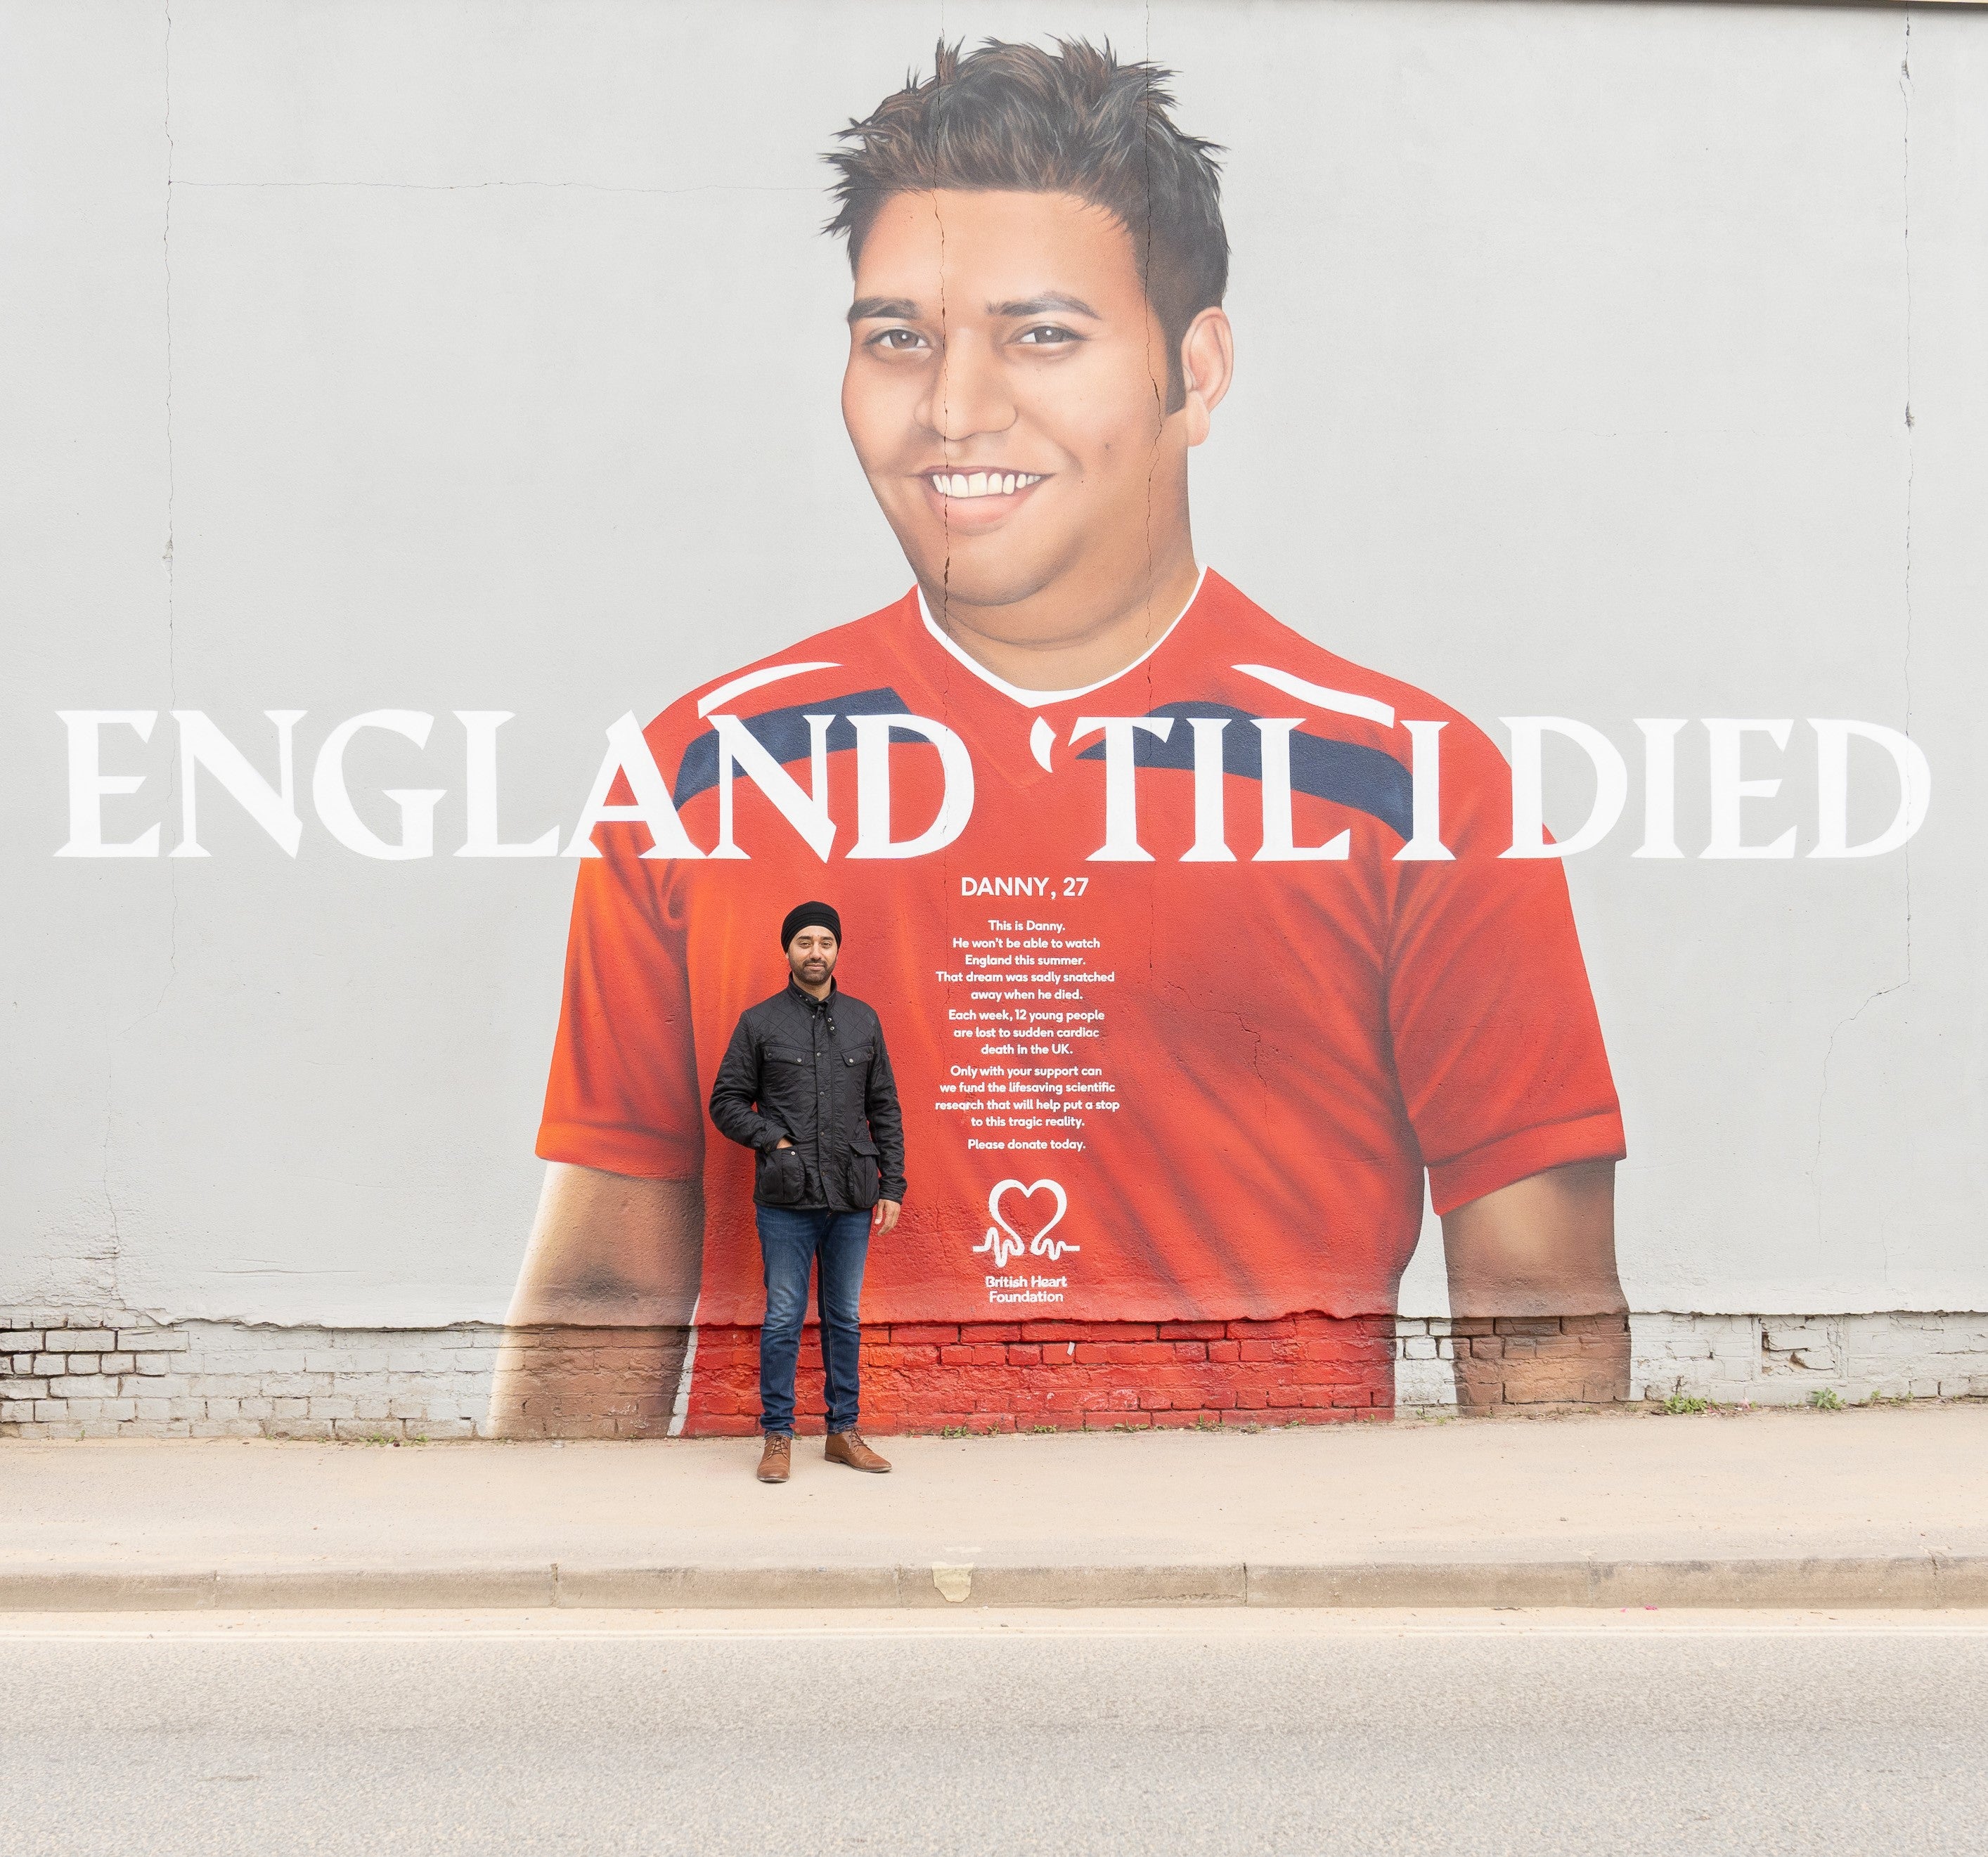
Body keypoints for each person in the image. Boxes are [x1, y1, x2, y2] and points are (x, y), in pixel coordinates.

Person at [489, 37, 1628, 1442]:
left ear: (1193, 372)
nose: (953, 408)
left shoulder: (1417, 789)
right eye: (899, 335)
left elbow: (1540, 1309)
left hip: (1249, 1632)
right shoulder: (702, 774)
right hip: (792, 1622)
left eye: (1042, 335)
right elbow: (603, 1285)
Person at [707, 902, 905, 1482]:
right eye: (803, 942)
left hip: (851, 1196)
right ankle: (778, 1436)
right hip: (786, 1200)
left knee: (843, 1317)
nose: (815, 952)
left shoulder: (865, 1021)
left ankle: (843, 1433)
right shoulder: (760, 1023)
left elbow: (884, 1108)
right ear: (787, 951)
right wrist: (776, 1141)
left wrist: (891, 1184)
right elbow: (726, 1101)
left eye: (825, 942)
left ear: (837, 950)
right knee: (784, 1318)